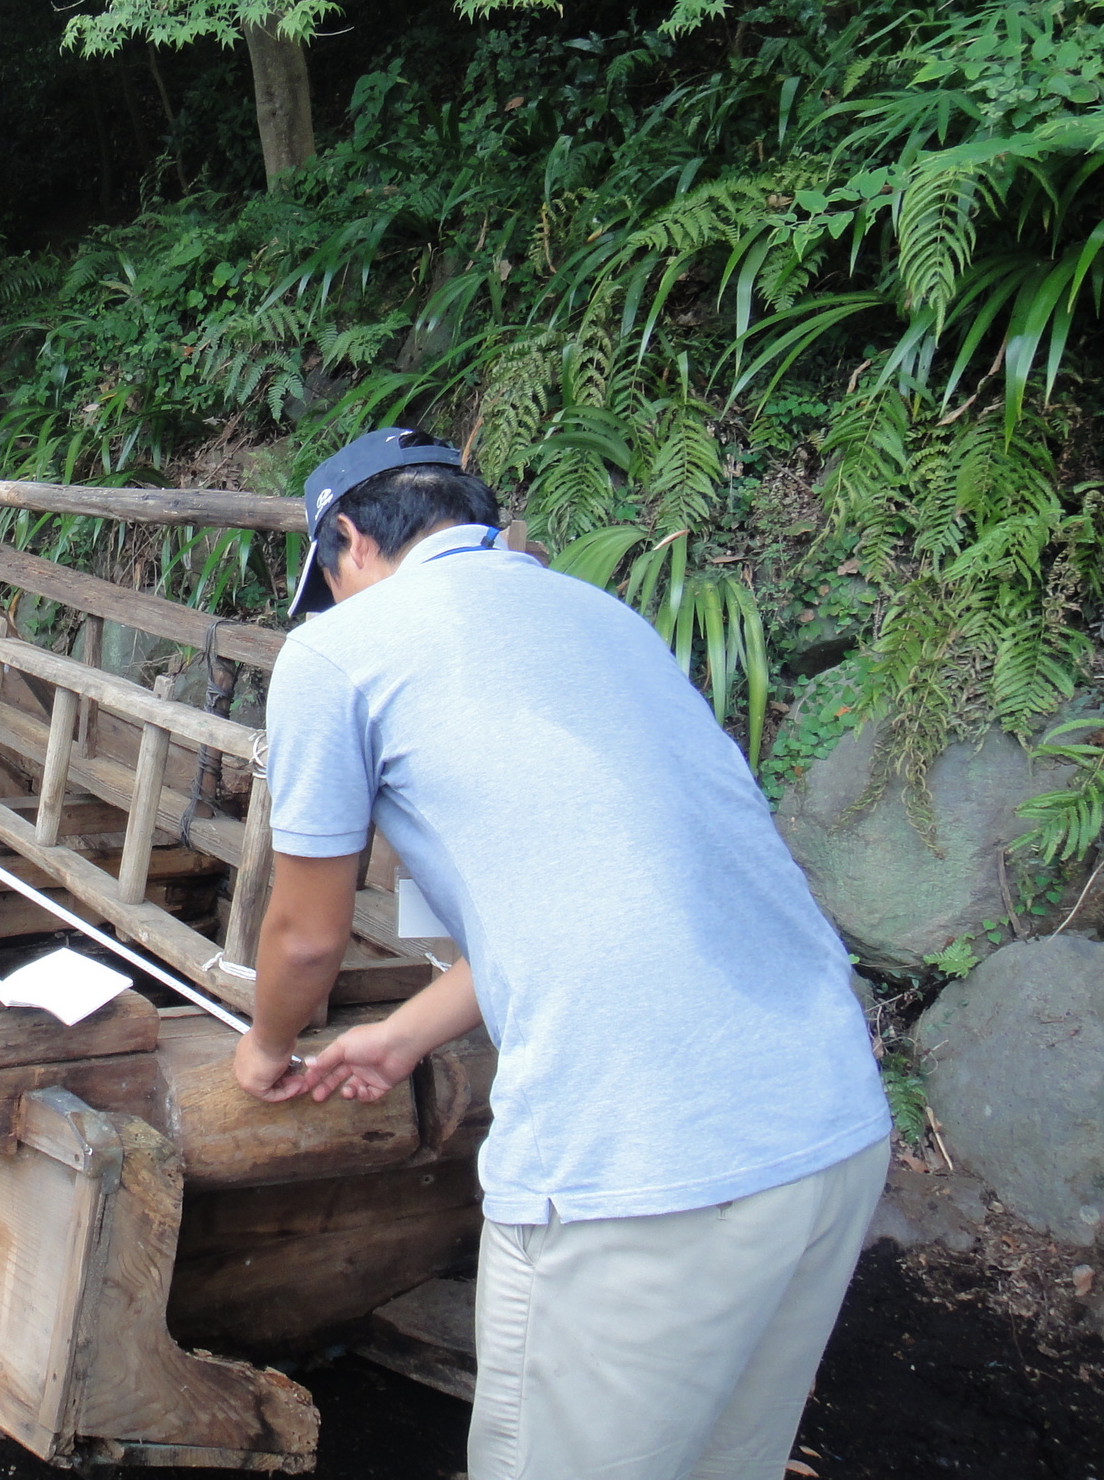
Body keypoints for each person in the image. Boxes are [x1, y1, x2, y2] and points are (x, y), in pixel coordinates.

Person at [232, 427, 890, 1480]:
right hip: (827, 1126)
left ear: (345, 539)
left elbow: (305, 933)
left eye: (328, 581)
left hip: (642, 1164)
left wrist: (265, 1046)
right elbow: (600, 897)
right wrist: (400, 1032)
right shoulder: (598, 617)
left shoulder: (334, 653)